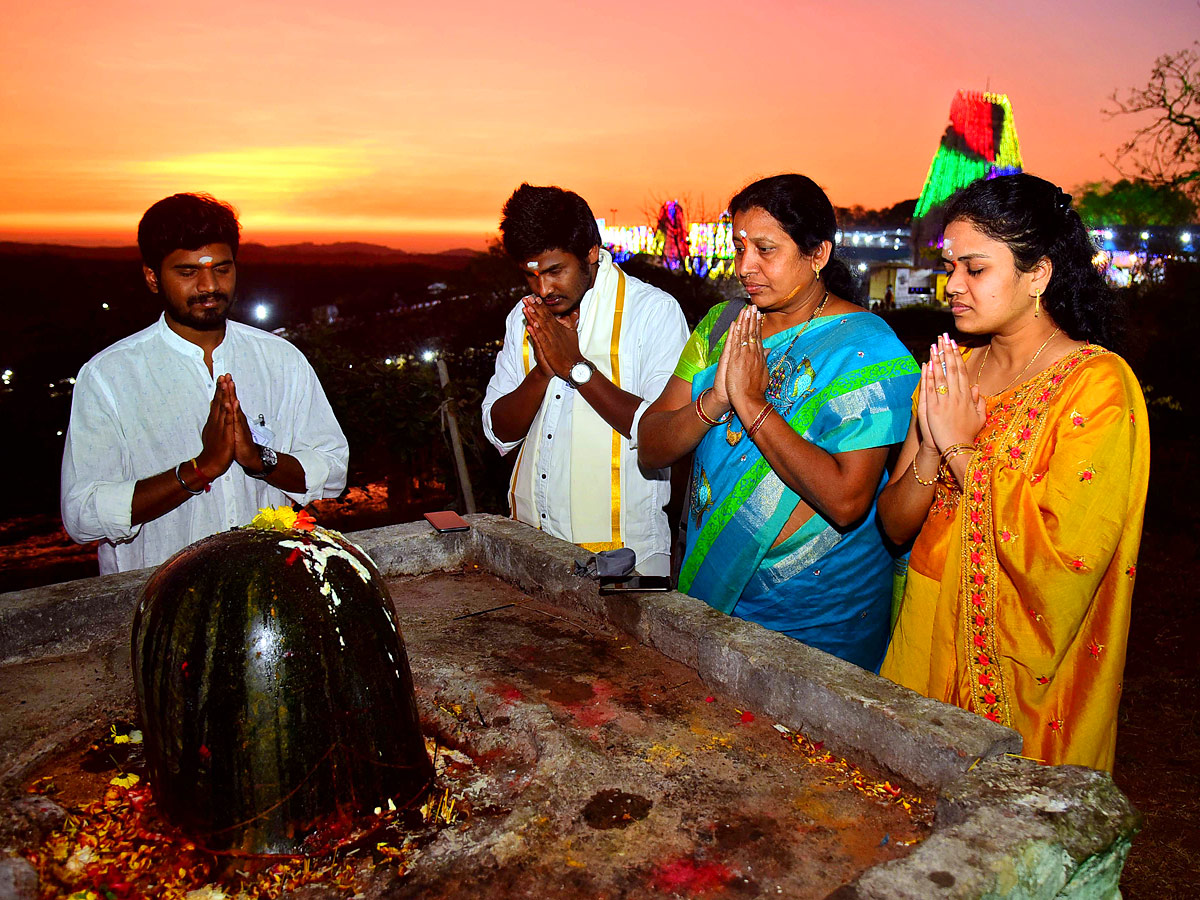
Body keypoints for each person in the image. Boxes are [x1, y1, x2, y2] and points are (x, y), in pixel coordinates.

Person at [877, 173, 1149, 772]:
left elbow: (1066, 552)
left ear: (1038, 275)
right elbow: (895, 526)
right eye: (951, 268)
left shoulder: (1096, 386)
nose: (953, 286)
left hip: (1019, 658)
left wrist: (958, 449)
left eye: (975, 269)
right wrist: (931, 447)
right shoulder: (953, 371)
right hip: (925, 620)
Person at [638, 174, 919, 669]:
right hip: (716, 590)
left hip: (818, 610)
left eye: (765, 250)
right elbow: (652, 445)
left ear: (818, 255)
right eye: (739, 246)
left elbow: (848, 501)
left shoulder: (867, 350)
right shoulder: (722, 327)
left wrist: (753, 406)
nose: (746, 266)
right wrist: (715, 402)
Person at [61, 193, 349, 574]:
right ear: (152, 277)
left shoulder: (279, 359)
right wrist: (198, 470)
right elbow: (83, 515)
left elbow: (333, 469)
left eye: (222, 269)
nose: (209, 286)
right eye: (188, 272)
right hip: (157, 604)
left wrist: (260, 461)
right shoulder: (109, 377)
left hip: (266, 589)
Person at [482, 184, 689, 575]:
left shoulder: (652, 313)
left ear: (591, 253)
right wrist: (544, 371)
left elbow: (666, 436)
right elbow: (498, 432)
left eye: (555, 271)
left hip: (629, 561)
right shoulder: (523, 317)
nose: (543, 289)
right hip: (533, 549)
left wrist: (576, 366)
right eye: (532, 275)